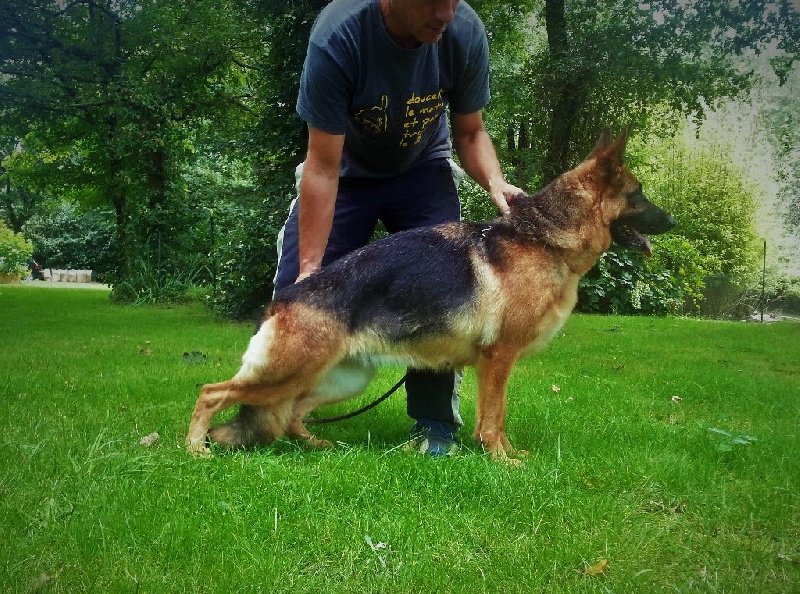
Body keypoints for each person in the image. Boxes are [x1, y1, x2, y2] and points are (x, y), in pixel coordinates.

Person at [273, 0, 522, 455]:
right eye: (434, 2)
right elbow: (322, 167)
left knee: (447, 288)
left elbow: (471, 133)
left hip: (421, 172)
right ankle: (270, 408)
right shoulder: (340, 35)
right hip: (344, 175)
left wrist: (495, 181)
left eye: (453, 1)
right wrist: (310, 269)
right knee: (298, 286)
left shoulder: (462, 31)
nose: (446, 15)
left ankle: (435, 423)